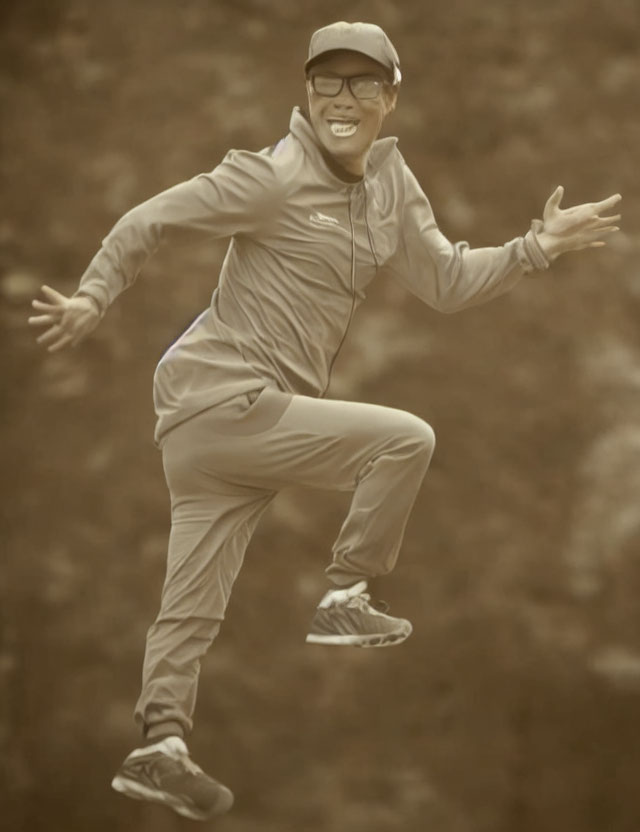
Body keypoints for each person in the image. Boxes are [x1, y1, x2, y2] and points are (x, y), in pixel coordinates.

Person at [29, 20, 621, 822]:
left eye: (361, 83)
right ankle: (346, 591)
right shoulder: (269, 178)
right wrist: (95, 295)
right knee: (405, 440)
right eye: (326, 83)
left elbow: (444, 280)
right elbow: (149, 220)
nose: (342, 99)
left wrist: (534, 247)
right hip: (226, 401)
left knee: (192, 601)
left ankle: (159, 744)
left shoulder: (389, 185)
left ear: (391, 95)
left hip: (220, 439)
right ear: (305, 94)